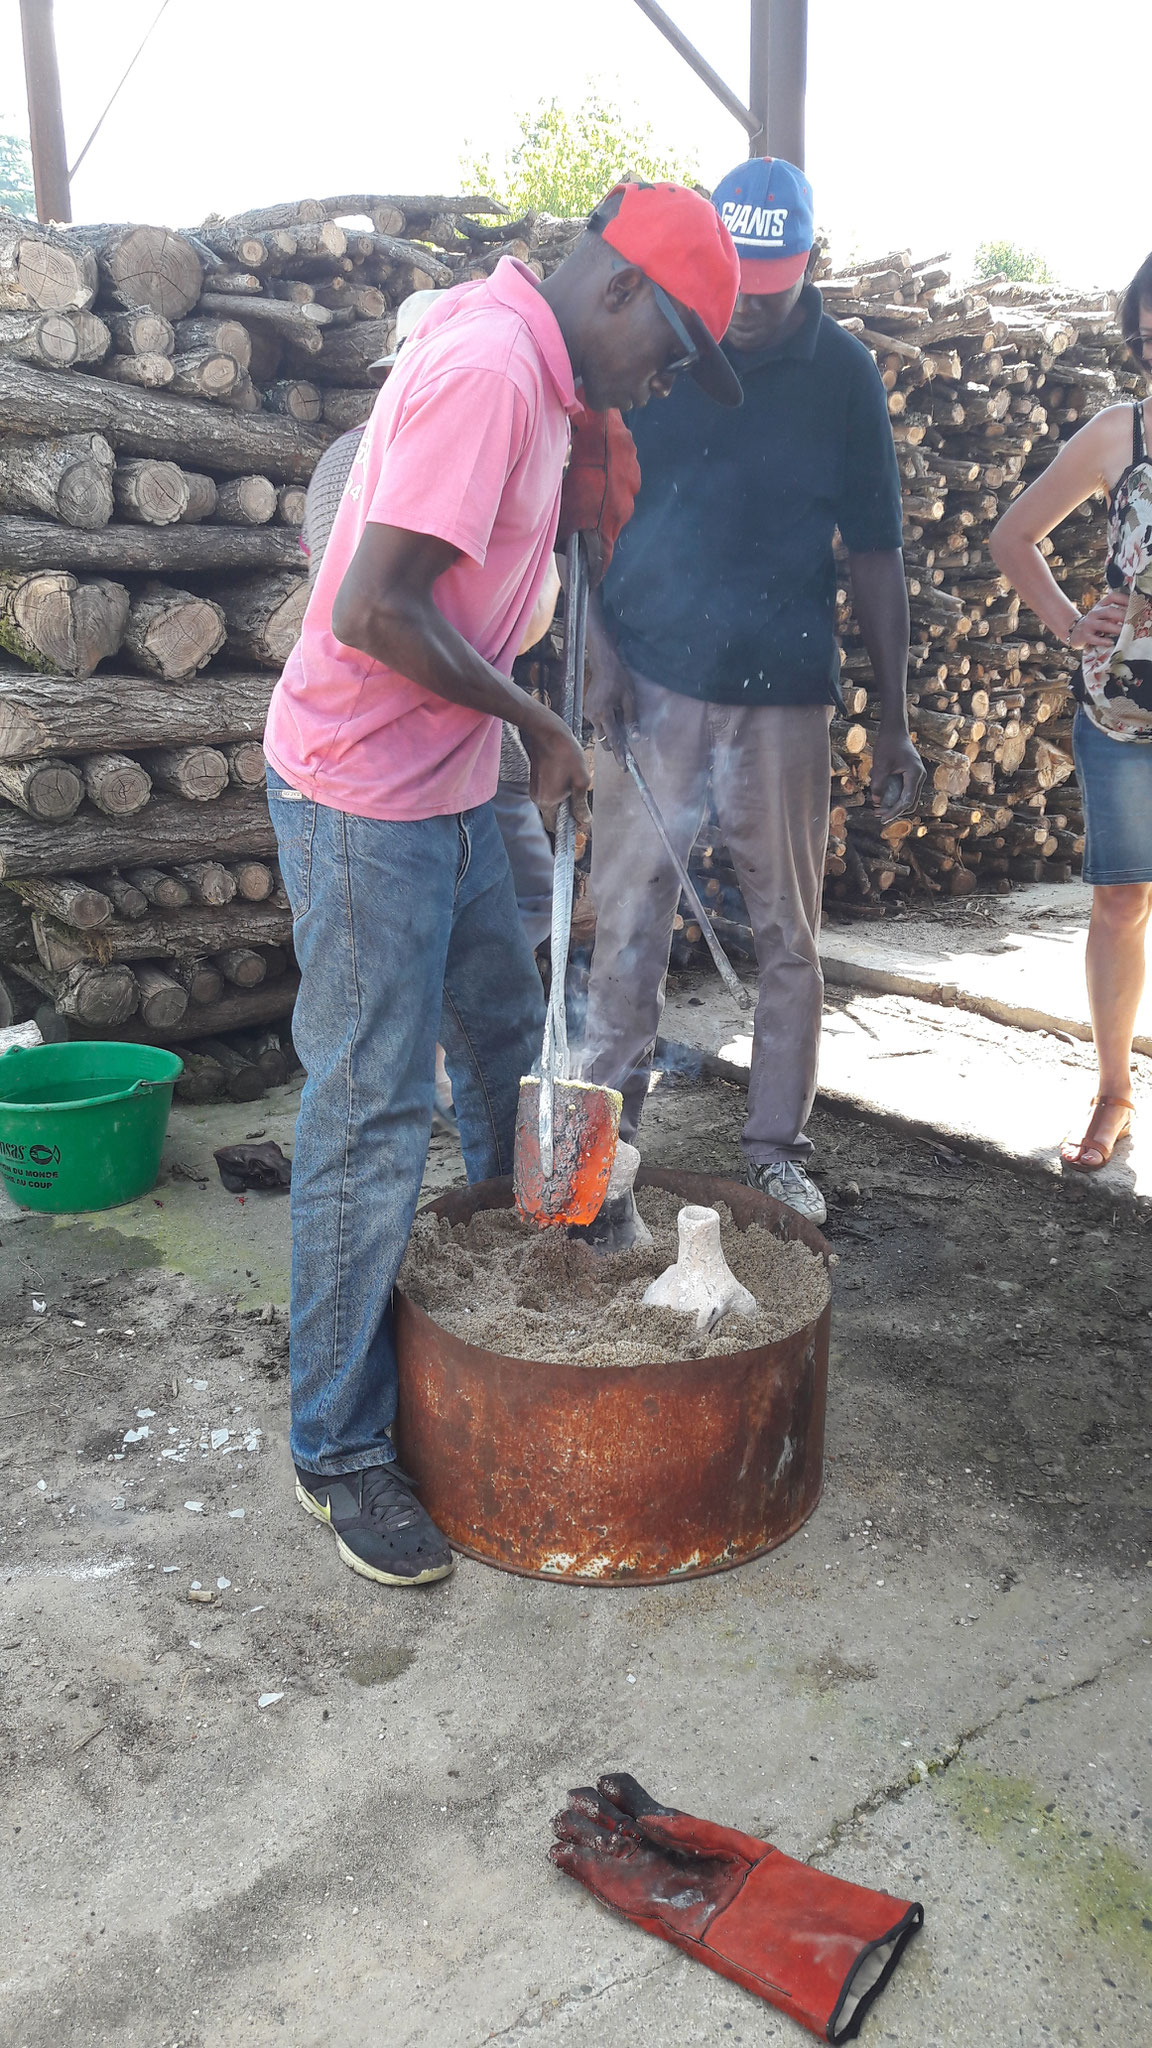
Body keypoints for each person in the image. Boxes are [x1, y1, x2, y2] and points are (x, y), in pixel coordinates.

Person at [263, 183, 741, 1590]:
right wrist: (537, 728)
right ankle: (337, 1449)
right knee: (369, 1107)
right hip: (364, 791)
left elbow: (468, 598)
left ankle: (507, 1309)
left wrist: (523, 691)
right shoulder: (487, 370)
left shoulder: (541, 377)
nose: (655, 390)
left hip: (451, 775)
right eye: (666, 358)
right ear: (621, 298)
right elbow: (372, 611)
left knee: (503, 1035)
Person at [580, 158, 923, 1233]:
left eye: (776, 275)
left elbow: (875, 552)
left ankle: (776, 1147)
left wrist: (897, 718)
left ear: (809, 261)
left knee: (786, 934)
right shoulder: (661, 346)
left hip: (784, 696)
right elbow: (578, 499)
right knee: (628, 916)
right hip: (648, 678)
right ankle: (606, 1138)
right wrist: (592, 642)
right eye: (742, 273)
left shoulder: (844, 375)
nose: (756, 298)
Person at [991, 252, 1152, 1171]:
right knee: (1123, 902)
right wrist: (1064, 620)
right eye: (1146, 343)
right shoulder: (1115, 436)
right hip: (1123, 714)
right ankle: (1115, 1092)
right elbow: (1012, 535)